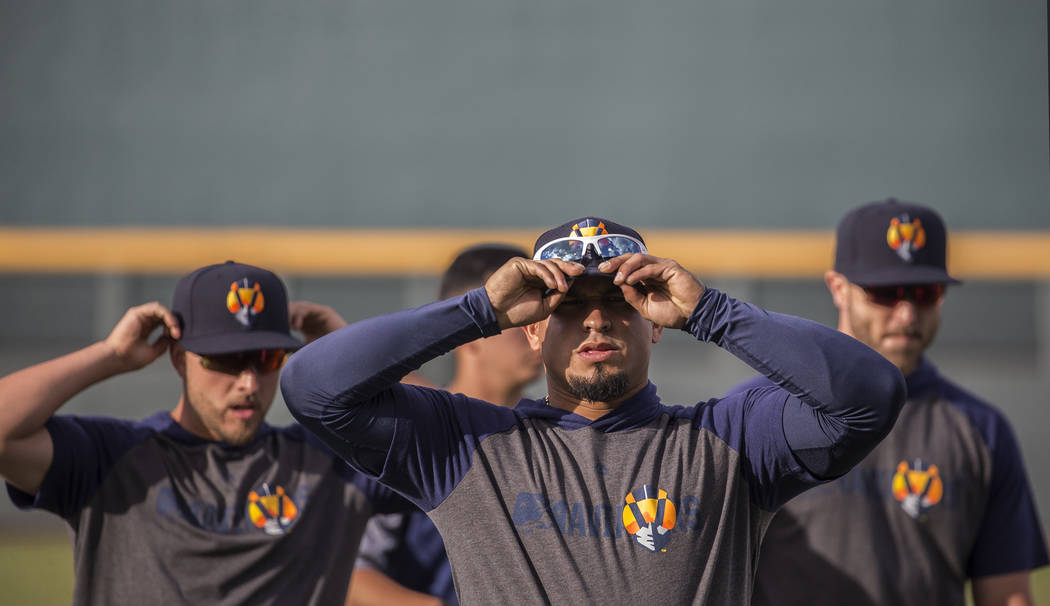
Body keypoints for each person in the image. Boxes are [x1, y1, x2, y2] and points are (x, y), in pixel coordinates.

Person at [281, 216, 907, 604]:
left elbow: (870, 394)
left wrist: (710, 311)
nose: (597, 318)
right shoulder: (467, 443)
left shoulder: (728, 441)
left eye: (622, 299)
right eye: (569, 305)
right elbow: (312, 386)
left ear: (655, 323)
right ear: (531, 330)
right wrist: (480, 310)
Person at [0, 261, 406, 605]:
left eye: (267, 359)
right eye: (226, 360)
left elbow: (444, 437)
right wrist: (109, 356)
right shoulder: (111, 457)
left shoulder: (329, 464)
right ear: (179, 359)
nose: (248, 382)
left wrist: (353, 354)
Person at [738, 199, 1049, 606]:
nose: (907, 315)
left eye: (925, 292)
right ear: (838, 288)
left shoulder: (980, 429)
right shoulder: (761, 413)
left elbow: (1007, 595)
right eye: (885, 293)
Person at [348, 244, 542, 606]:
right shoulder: (410, 433)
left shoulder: (547, 439)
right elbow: (345, 569)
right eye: (519, 318)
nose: (538, 328)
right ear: (471, 329)